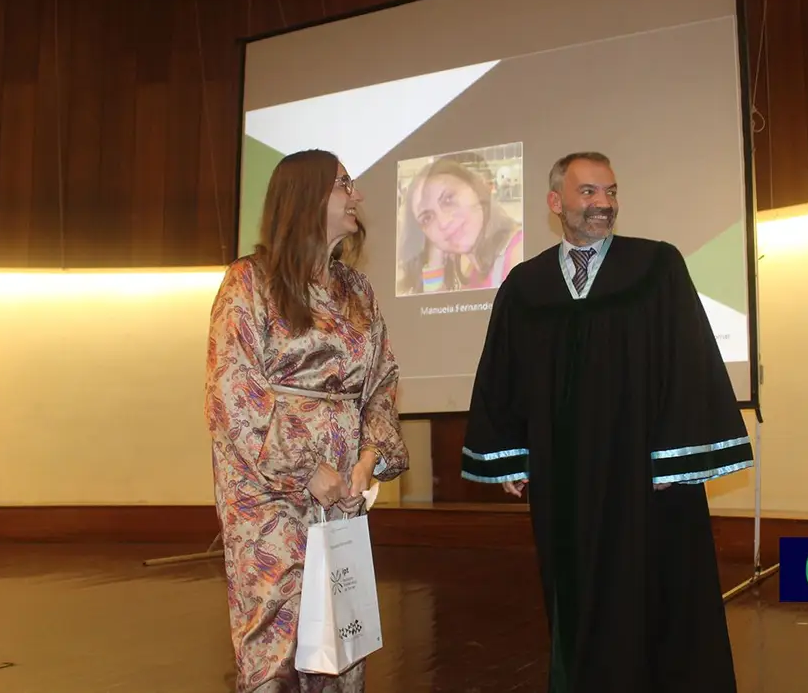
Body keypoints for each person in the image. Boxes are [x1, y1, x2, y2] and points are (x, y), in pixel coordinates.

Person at [460, 151, 753, 692]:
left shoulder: (655, 267)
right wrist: (508, 454)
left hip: (647, 477)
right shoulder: (525, 286)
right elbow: (503, 373)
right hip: (564, 481)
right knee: (576, 596)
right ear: (556, 202)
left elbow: (690, 359)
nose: (603, 204)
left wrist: (679, 457)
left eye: (610, 192)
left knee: (660, 595)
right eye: (589, 192)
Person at [205, 149, 409, 693]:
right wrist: (304, 469)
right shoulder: (248, 283)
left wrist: (369, 460)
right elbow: (234, 394)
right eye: (344, 184)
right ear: (307, 196)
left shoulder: (357, 291)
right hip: (270, 497)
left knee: (338, 636)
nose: (357, 195)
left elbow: (382, 381)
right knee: (278, 636)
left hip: (342, 491)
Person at [396, 151, 523, 296]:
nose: (443, 223)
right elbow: (436, 310)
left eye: (448, 199)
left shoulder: (517, 253)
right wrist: (435, 261)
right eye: (427, 218)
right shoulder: (472, 269)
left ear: (476, 188)